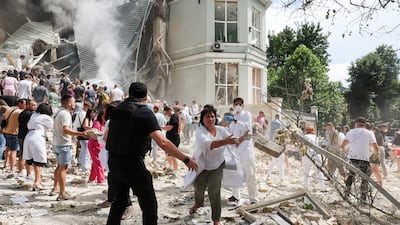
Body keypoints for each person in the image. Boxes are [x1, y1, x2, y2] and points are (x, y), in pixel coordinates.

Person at [105, 82, 197, 225]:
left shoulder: (117, 110)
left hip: (114, 161)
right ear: (146, 96)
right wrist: (185, 159)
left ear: (129, 93)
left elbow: (109, 136)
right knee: (149, 206)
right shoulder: (144, 112)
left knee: (120, 200)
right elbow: (163, 142)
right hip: (133, 164)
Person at [190, 105, 242, 225]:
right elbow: (207, 144)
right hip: (201, 166)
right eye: (207, 117)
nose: (211, 119)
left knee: (215, 192)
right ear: (202, 119)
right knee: (199, 189)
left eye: (212, 116)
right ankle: (198, 204)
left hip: (217, 166)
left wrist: (240, 138)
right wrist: (226, 141)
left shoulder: (221, 130)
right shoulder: (200, 131)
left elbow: (232, 139)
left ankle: (216, 220)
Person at [51, 94, 88, 200]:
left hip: (57, 143)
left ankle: (56, 188)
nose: (74, 105)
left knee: (59, 167)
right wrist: (80, 134)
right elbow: (66, 130)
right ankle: (62, 193)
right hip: (64, 144)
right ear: (68, 103)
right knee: (63, 169)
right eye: (73, 102)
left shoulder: (58, 112)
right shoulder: (66, 114)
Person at [341, 117, 379, 203]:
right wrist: (375, 156)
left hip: (352, 159)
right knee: (365, 179)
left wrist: (345, 154)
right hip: (364, 159)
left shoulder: (351, 132)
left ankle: (346, 195)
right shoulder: (369, 133)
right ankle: (363, 199)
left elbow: (342, 145)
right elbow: (375, 147)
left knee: (350, 177)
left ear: (356, 123)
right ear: (365, 124)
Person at [228, 97, 258, 204]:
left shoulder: (247, 115)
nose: (238, 106)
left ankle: (253, 199)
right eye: (236, 104)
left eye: (240, 104)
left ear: (243, 105)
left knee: (250, 175)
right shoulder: (232, 118)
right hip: (235, 150)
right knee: (236, 174)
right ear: (233, 105)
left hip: (246, 150)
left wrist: (236, 121)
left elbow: (247, 128)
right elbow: (231, 132)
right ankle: (235, 196)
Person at [22, 103, 53, 190]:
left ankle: (36, 180)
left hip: (28, 137)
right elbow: (53, 126)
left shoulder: (34, 115)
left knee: (31, 160)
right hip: (38, 137)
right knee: (39, 161)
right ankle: (36, 182)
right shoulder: (46, 117)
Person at [2, 98, 26, 177]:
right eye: (24, 104)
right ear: (20, 103)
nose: (25, 106)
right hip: (14, 132)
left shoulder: (9, 109)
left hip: (6, 131)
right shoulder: (19, 112)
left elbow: (3, 118)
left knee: (7, 148)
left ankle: (6, 163)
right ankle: (12, 168)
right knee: (13, 151)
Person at [302, 126, 327, 192]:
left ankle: (306, 188)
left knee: (306, 172)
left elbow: (301, 145)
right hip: (316, 156)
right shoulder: (316, 137)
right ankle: (323, 188)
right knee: (319, 172)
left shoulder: (305, 136)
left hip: (307, 156)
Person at [17, 99, 37, 180]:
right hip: (26, 136)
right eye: (33, 105)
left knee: (22, 155)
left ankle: (21, 171)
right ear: (28, 105)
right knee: (27, 155)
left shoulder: (22, 113)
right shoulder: (30, 114)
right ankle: (28, 173)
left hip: (21, 135)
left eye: (35, 105)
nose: (35, 107)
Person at [266, 114, 285, 180]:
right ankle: (281, 178)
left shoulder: (272, 122)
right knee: (280, 165)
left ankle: (268, 174)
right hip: (280, 149)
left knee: (273, 162)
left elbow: (271, 132)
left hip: (274, 147)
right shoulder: (280, 123)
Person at [162, 106, 180, 173]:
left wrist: (161, 127)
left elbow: (169, 128)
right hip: (169, 138)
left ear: (169, 110)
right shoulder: (170, 118)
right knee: (167, 154)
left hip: (174, 139)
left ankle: (175, 170)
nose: (166, 114)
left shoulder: (174, 117)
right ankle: (170, 167)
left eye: (166, 113)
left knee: (173, 155)